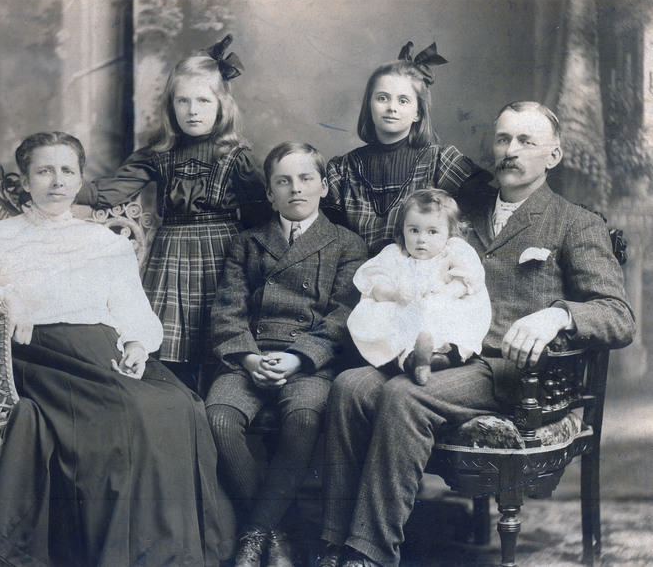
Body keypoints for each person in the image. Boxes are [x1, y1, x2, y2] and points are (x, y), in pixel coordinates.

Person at [317, 101, 636, 567]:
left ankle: (369, 554)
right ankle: (333, 544)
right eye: (503, 139)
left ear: (554, 155)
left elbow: (618, 315)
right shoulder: (462, 212)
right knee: (349, 386)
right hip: (442, 352)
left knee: (405, 396)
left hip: (510, 371)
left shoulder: (575, 222)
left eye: (526, 141)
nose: (510, 150)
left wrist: (557, 316)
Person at [0, 132, 234, 566]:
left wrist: (136, 343)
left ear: (80, 178)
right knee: (133, 414)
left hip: (105, 351)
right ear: (25, 181)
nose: (57, 181)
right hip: (44, 356)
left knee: (181, 406)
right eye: (44, 171)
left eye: (67, 171)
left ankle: (171, 554)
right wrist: (7, 299)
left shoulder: (103, 241)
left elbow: (131, 307)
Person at [75, 34, 269, 393]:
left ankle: (217, 412)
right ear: (171, 106)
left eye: (203, 100)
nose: (192, 110)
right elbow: (114, 188)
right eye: (183, 100)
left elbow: (261, 218)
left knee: (221, 342)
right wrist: (67, 189)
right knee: (167, 349)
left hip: (224, 255)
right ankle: (178, 412)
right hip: (171, 256)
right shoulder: (160, 152)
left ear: (222, 106)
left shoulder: (236, 156)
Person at [204, 142, 367, 567]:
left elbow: (342, 316)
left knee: (304, 419)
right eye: (283, 181)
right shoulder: (247, 242)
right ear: (270, 193)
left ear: (324, 187)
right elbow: (227, 309)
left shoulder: (347, 244)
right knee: (217, 418)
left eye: (306, 178)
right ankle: (275, 530)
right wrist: (248, 357)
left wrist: (298, 357)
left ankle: (255, 533)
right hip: (250, 358)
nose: (296, 189)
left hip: (310, 363)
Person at [322, 41, 490, 256]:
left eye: (403, 100)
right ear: (369, 104)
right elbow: (331, 239)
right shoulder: (344, 169)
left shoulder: (440, 161)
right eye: (382, 98)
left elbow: (483, 214)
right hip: (359, 272)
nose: (391, 107)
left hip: (424, 271)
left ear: (418, 113)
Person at [347, 189, 491, 385]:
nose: (421, 239)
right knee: (384, 318)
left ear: (450, 232)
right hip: (405, 311)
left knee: (449, 315)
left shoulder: (453, 251)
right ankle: (413, 359)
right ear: (402, 230)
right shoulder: (395, 254)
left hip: (442, 307)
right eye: (414, 230)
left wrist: (444, 295)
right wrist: (395, 295)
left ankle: (444, 356)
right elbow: (375, 285)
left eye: (432, 232)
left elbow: (467, 279)